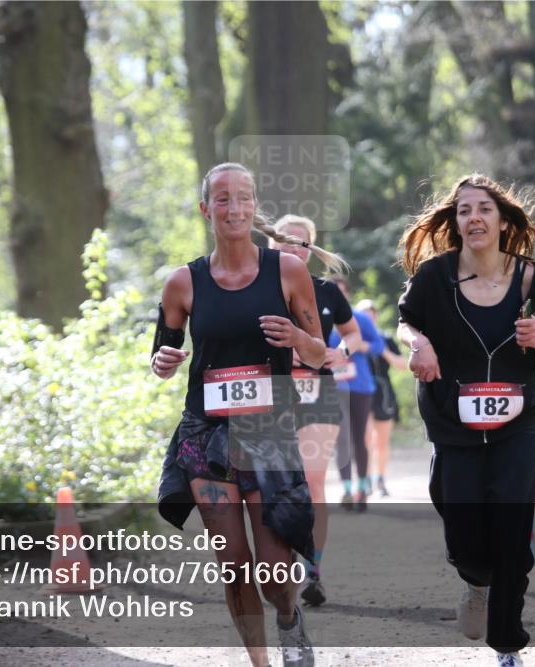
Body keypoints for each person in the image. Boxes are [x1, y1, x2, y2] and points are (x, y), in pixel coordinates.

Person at [152, 162, 345, 667]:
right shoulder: (182, 283)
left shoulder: (287, 270)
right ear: (205, 209)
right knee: (234, 567)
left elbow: (320, 354)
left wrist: (299, 340)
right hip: (205, 436)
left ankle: (288, 616)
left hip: (269, 431)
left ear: (255, 206)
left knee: (273, 575)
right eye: (222, 198)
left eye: (243, 198)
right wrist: (163, 361)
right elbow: (163, 354)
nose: (233, 208)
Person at [396, 174, 535, 667]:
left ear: (502, 220)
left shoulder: (532, 279)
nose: (474, 218)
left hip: (516, 423)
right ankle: (475, 582)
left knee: (511, 540)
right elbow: (406, 319)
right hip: (453, 420)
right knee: (466, 541)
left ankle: (507, 643)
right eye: (464, 210)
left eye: (484, 209)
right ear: (455, 221)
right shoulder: (435, 276)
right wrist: (419, 343)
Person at [268, 215, 361, 608]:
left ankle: (314, 570)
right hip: (270, 393)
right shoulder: (255, 289)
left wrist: (344, 351)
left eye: (303, 243)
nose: (294, 248)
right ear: (272, 246)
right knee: (273, 483)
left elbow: (353, 333)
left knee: (313, 481)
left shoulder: (326, 291)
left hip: (317, 390)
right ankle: (278, 563)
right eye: (287, 242)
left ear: (311, 250)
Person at [330, 278, 386, 512]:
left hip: (360, 385)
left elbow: (379, 345)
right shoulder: (320, 318)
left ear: (348, 295)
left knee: (359, 438)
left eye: (342, 293)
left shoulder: (360, 319)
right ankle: (346, 488)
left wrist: (361, 346)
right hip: (333, 385)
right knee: (340, 439)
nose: (337, 298)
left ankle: (362, 488)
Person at [355, 299, 408, 498]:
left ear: (375, 317)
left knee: (381, 442)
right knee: (365, 438)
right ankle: (365, 479)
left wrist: (380, 348)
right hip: (361, 393)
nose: (367, 318)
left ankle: (381, 479)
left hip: (384, 394)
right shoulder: (352, 340)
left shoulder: (384, 338)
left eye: (370, 314)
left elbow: (403, 365)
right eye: (363, 315)